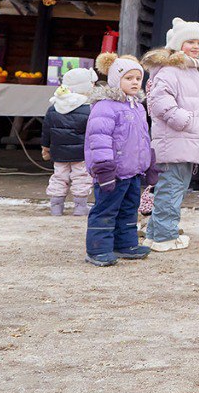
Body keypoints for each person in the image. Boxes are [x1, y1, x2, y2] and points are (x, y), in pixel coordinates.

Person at [140, 19, 199, 252]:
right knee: (171, 190)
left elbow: (197, 102)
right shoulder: (171, 71)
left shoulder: (192, 70)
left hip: (184, 140)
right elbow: (159, 102)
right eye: (190, 42)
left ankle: (154, 235)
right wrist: (187, 121)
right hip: (175, 140)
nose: (196, 46)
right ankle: (165, 237)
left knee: (174, 189)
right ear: (177, 44)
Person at [84, 54, 158, 267]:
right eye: (129, 78)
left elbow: (143, 139)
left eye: (138, 78)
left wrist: (149, 162)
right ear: (116, 80)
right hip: (112, 172)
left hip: (132, 171)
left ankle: (125, 244)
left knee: (128, 209)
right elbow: (99, 139)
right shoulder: (105, 107)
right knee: (106, 210)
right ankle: (98, 249)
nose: (135, 82)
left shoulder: (137, 107)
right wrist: (103, 167)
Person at [40, 66, 97, 215]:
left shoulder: (54, 107)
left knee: (59, 177)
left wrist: (46, 148)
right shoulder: (90, 109)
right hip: (81, 153)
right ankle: (80, 207)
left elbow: (46, 130)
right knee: (81, 178)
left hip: (58, 152)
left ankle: (56, 207)